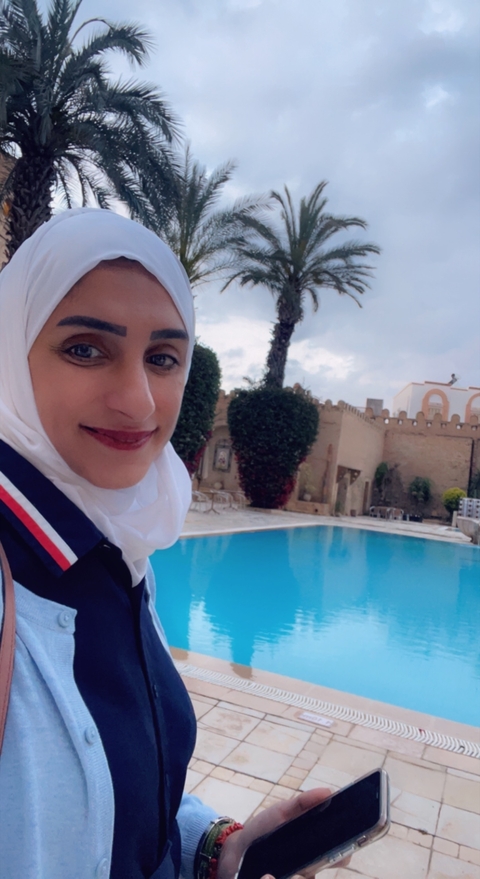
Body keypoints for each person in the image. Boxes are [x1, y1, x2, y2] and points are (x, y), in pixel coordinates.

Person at [0, 208, 338, 879]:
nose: (139, 401)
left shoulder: (122, 553)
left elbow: (117, 801)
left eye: (162, 358)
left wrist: (215, 847)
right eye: (85, 348)